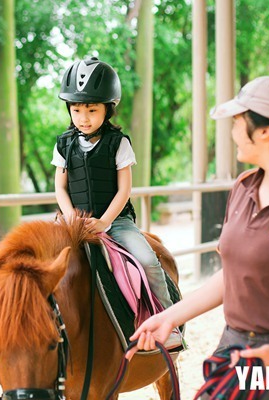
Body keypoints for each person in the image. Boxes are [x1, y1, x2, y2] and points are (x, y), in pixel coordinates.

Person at [128, 75, 269, 399]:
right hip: (235, 347)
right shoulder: (244, 187)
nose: (233, 131)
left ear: (265, 131)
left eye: (238, 121)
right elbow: (234, 275)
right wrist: (168, 318)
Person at [51, 57, 177, 319]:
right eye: (76, 110)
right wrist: (71, 215)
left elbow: (124, 190)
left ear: (107, 109)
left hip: (115, 221)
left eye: (92, 110)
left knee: (147, 262)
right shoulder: (64, 144)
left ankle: (168, 321)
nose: (83, 118)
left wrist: (104, 222)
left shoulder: (118, 143)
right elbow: (60, 187)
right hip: (73, 220)